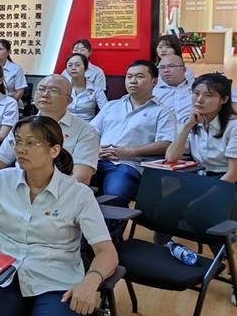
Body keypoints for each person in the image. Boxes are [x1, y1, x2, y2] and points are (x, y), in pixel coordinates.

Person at [0, 116, 118, 316]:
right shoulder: (1, 181)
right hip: (4, 278)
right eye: (17, 142)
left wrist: (90, 282)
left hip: (56, 284)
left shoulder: (78, 194)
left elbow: (107, 252)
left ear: (54, 150)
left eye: (31, 143)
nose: (20, 149)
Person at [0, 75, 100, 185]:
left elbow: (82, 177)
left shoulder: (86, 131)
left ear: (68, 101)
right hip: (17, 188)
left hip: (59, 194)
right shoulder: (22, 126)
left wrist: (44, 191)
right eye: (41, 89)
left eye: (53, 91)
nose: (45, 94)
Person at [90, 60, 176, 206]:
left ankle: (109, 223)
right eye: (129, 76)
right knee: (72, 185)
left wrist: (131, 152)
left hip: (127, 165)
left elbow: (166, 144)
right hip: (96, 161)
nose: (133, 81)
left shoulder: (163, 112)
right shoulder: (111, 106)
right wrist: (95, 150)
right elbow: (91, 132)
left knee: (114, 197)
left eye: (139, 76)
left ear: (154, 82)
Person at [165, 73, 236, 182]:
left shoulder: (233, 127)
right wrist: (187, 126)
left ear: (224, 99)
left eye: (208, 95)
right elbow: (171, 157)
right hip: (200, 176)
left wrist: (208, 192)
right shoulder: (194, 122)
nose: (199, 100)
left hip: (226, 181)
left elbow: (233, 174)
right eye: (196, 93)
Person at [65, 53, 107, 122]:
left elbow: (106, 111)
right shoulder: (62, 88)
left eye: (77, 65)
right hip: (65, 124)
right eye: (70, 65)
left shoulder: (97, 90)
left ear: (86, 68)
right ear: (66, 69)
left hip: (87, 125)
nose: (73, 68)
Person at [153, 54, 193, 124]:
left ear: (184, 69)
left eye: (171, 66)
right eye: (162, 67)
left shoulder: (195, 90)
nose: (166, 70)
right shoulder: (152, 93)